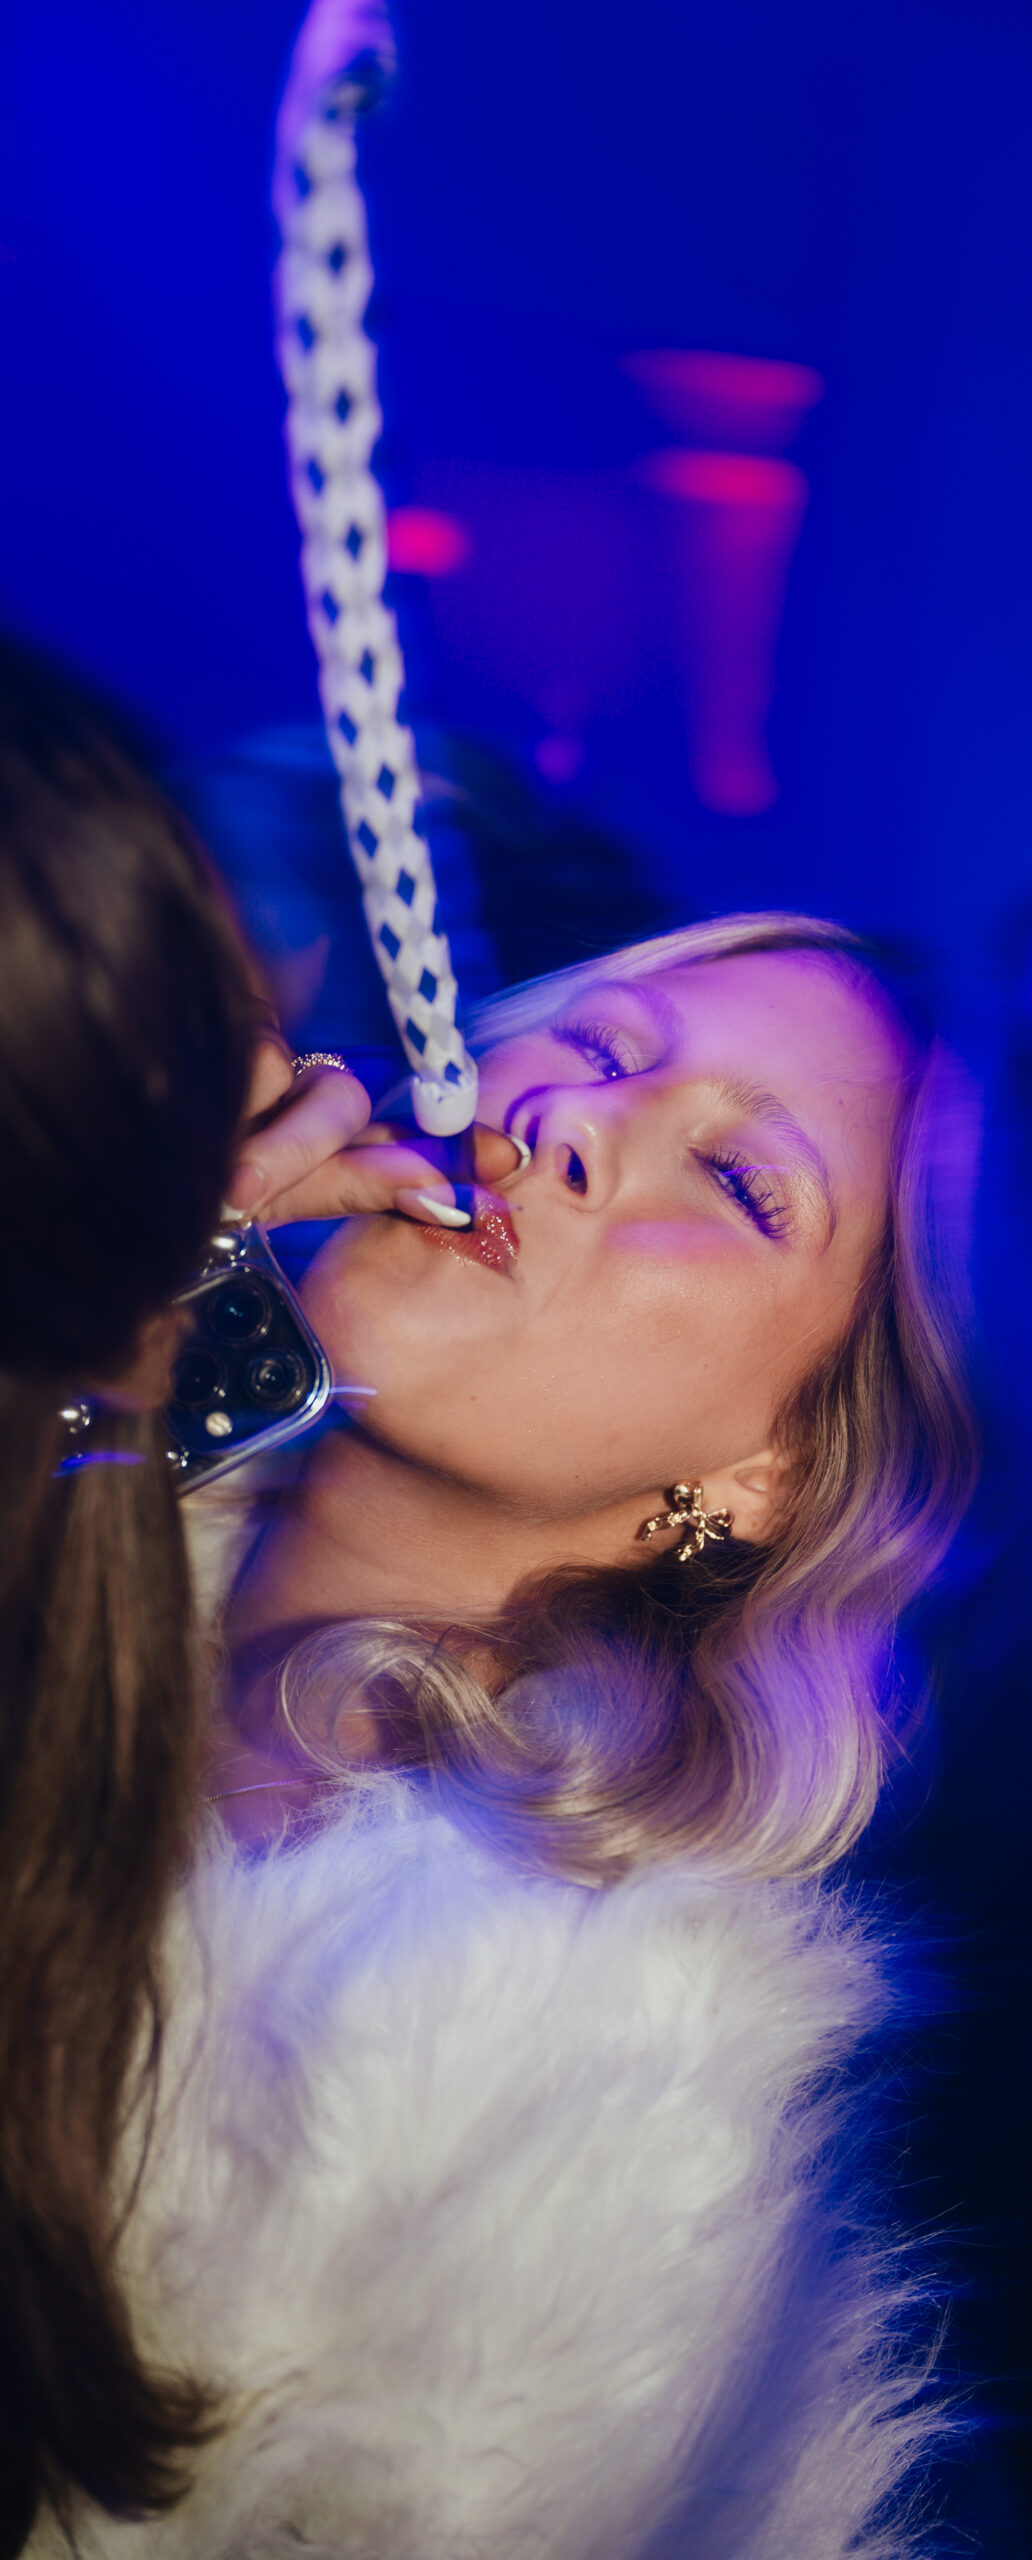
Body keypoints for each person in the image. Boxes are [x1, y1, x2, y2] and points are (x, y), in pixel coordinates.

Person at [32, 914, 974, 2558]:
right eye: (598, 1047)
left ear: (771, 1478)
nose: (573, 1126)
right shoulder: (67, 1537)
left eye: (744, 1184)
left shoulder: (606, 2068)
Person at [0, 638, 536, 2559]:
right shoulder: (104, 1500)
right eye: (179, 1020)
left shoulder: (587, 2044)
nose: (280, 1074)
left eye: (740, 1183)